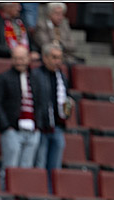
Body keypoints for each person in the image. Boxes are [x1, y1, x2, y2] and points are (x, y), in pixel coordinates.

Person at [0, 45, 50, 182]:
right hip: (12, 130)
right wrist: (6, 126)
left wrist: (38, 125)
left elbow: (42, 103)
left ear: (28, 59)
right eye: (16, 58)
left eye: (22, 58)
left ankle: (22, 198)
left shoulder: (36, 79)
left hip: (32, 130)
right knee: (10, 168)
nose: (19, 61)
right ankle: (7, 198)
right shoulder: (3, 78)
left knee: (26, 170)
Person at [35, 42, 73, 177]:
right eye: (54, 57)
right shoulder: (36, 75)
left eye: (60, 58)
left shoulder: (62, 77)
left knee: (55, 168)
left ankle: (52, 195)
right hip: (41, 127)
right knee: (40, 165)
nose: (58, 61)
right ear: (45, 58)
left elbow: (65, 98)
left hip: (58, 126)